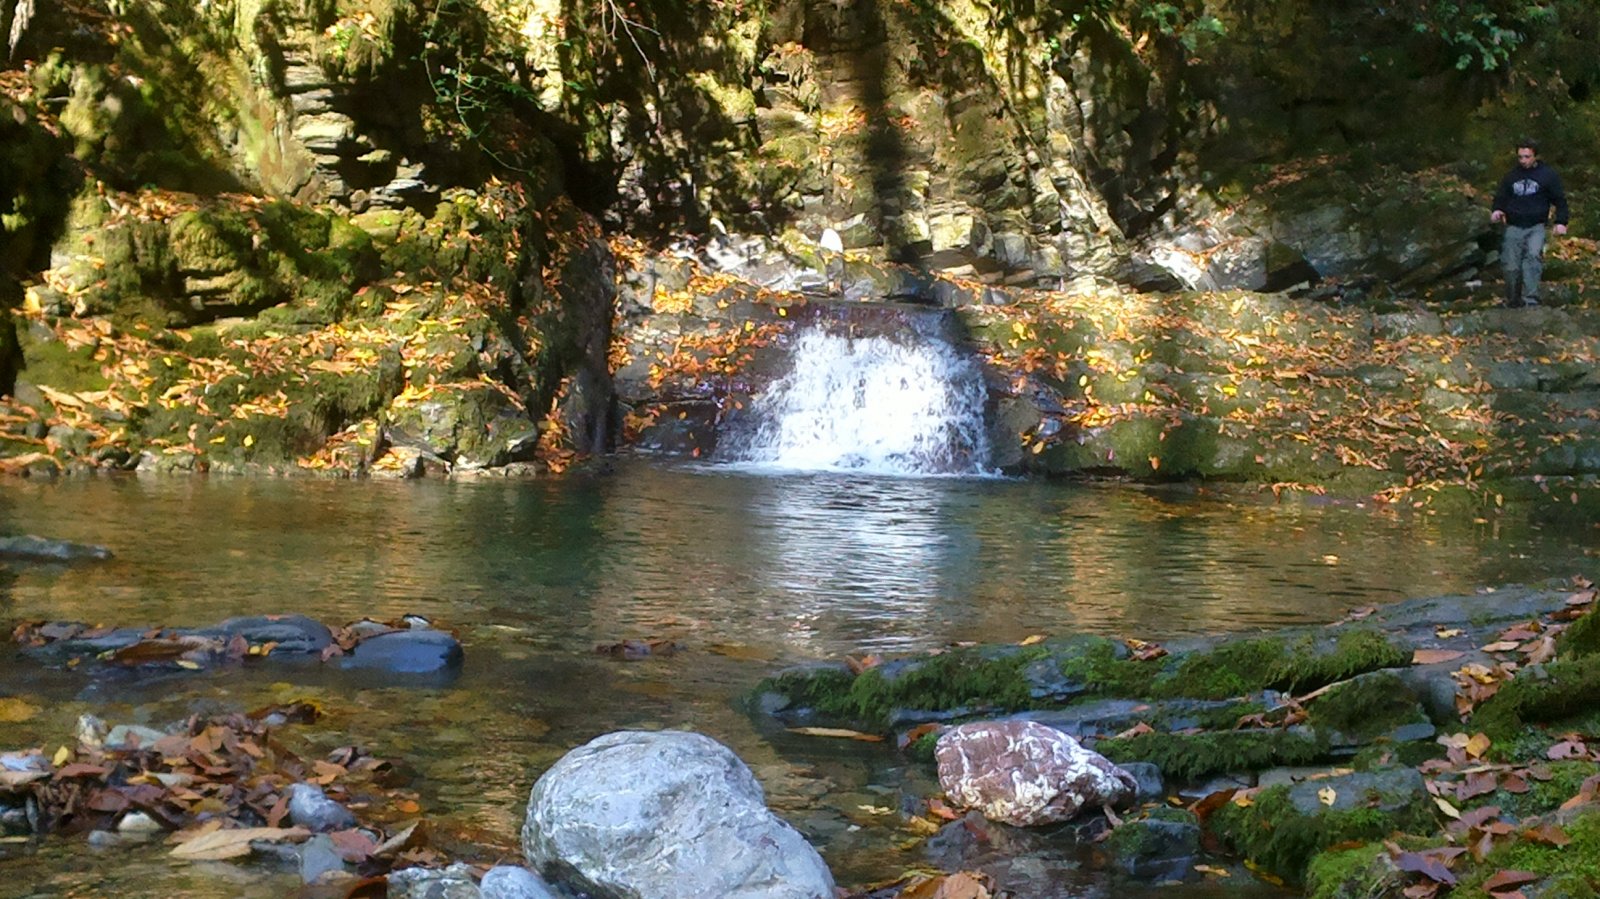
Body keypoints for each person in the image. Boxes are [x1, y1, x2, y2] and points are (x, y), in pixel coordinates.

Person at [1490, 140, 1569, 307]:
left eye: (1527, 157)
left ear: (1535, 156)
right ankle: (1513, 299)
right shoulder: (1511, 176)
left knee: (1532, 258)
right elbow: (1501, 197)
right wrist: (1497, 210)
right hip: (1514, 225)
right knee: (1511, 265)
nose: (1523, 160)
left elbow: (1560, 200)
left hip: (1536, 226)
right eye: (1520, 157)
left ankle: (1531, 299)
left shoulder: (1547, 175)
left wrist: (1561, 222)